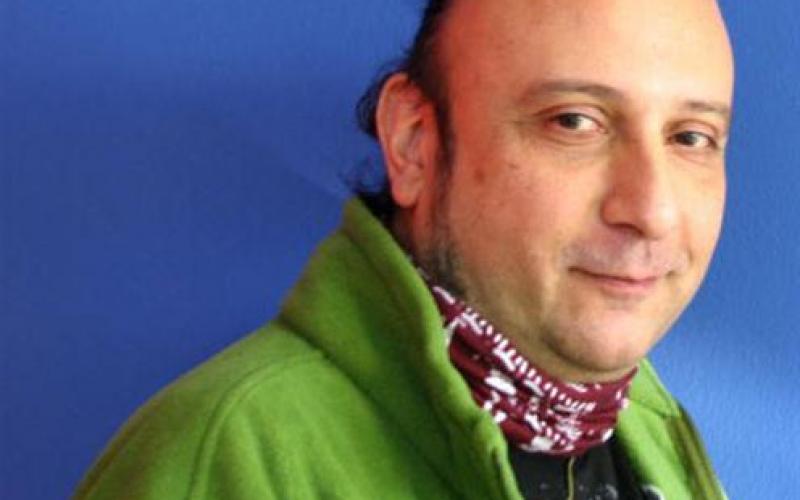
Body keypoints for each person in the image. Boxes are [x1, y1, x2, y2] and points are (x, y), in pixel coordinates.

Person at [75, 0, 734, 498]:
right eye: (573, 121)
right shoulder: (223, 459)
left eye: (691, 137)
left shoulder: (647, 428)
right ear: (414, 144)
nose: (652, 211)